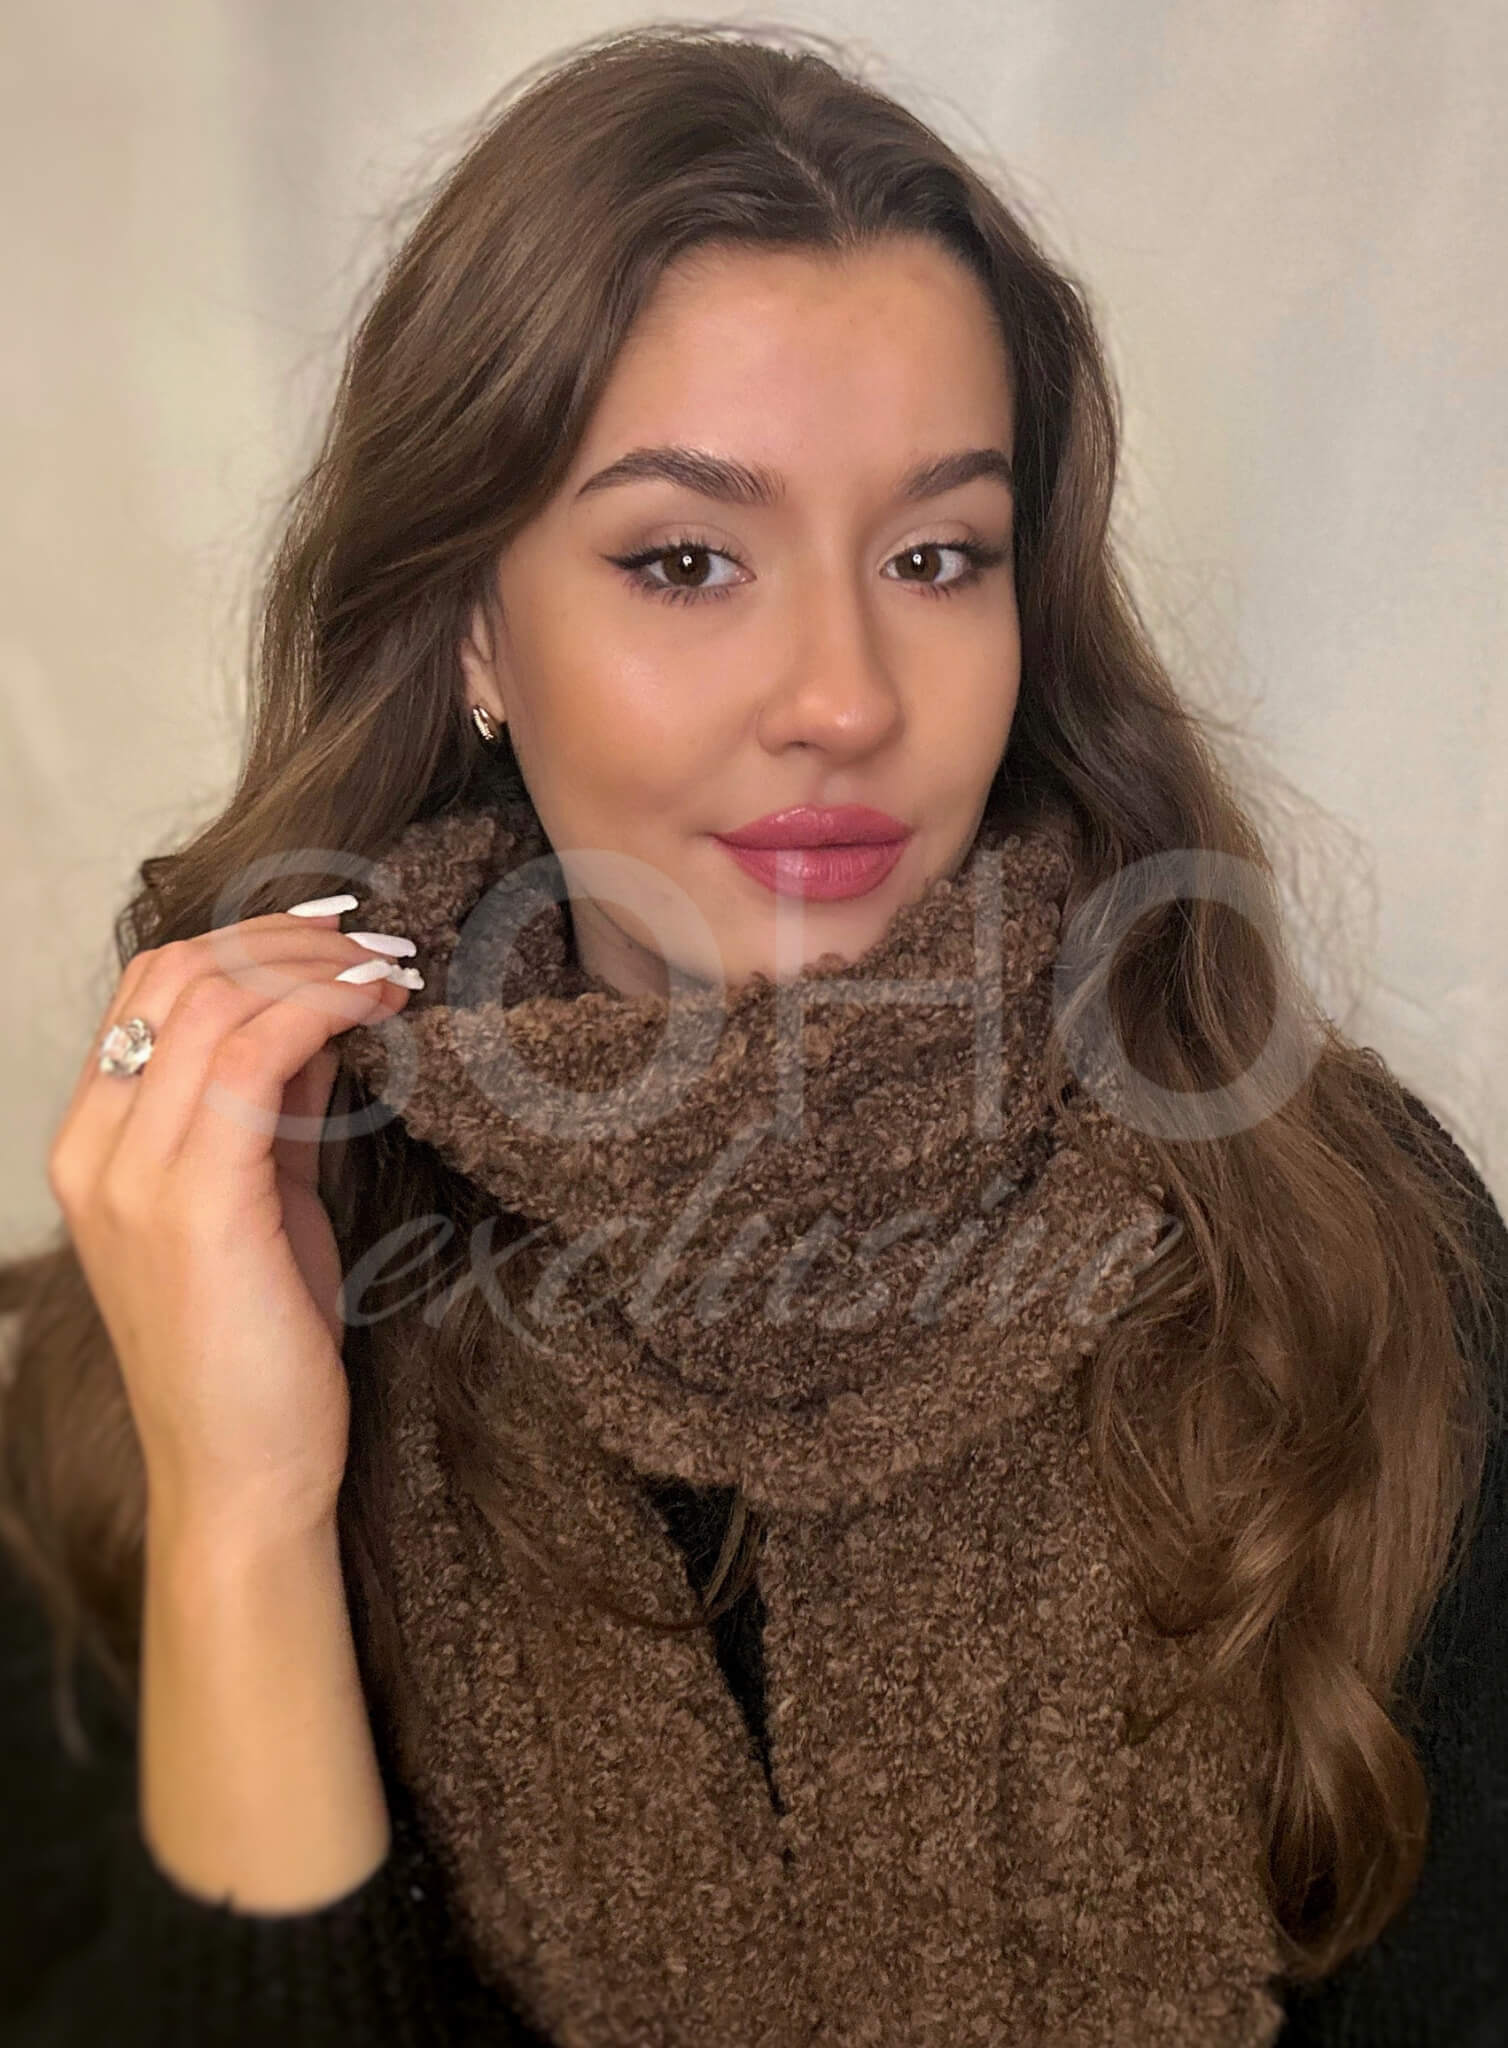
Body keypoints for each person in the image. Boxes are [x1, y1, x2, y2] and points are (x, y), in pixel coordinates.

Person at [1, 22, 1504, 2047]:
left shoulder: (1338, 1248)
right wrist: (240, 1513)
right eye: (687, 561)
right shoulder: (199, 1287)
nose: (844, 696)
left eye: (935, 555)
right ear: (474, 631)